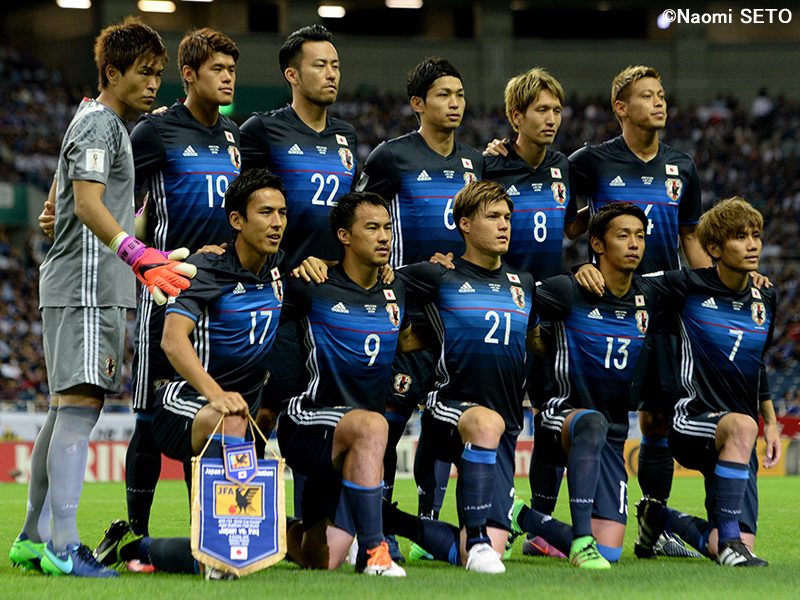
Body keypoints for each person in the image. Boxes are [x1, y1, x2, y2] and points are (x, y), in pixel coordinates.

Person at [8, 18, 185, 578]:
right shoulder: (99, 125)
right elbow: (87, 204)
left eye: (158, 74)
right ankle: (63, 545)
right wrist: (135, 252)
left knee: (64, 410)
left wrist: (58, 207)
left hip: (85, 286)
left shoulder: (101, 122)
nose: (153, 83)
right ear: (112, 72)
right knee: (81, 409)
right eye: (144, 73)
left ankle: (33, 537)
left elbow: (73, 198)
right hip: (86, 288)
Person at [95, 168, 287, 578]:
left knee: (256, 546)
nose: (276, 223)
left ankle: (133, 547)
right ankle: (211, 548)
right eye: (265, 212)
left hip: (236, 413)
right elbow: (172, 340)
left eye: (282, 213)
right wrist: (216, 394)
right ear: (236, 220)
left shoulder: (280, 269)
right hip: (182, 401)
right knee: (229, 420)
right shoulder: (206, 268)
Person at [567, 65, 711, 557]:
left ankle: (654, 523)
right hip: (606, 306)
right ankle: (576, 519)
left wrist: (715, 289)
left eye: (661, 94)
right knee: (602, 417)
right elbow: (568, 225)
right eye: (647, 95)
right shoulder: (590, 161)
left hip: (663, 306)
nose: (659, 102)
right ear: (621, 108)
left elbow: (690, 236)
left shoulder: (682, 166)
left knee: (658, 418)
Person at [355, 57, 484, 552]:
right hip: (406, 314)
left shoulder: (475, 162)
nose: (455, 104)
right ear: (418, 104)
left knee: (447, 423)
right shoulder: (391, 157)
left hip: (459, 317)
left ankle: (436, 522)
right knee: (387, 424)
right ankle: (380, 524)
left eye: (460, 94)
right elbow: (359, 216)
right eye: (443, 95)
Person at [383, 181, 537, 574]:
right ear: (464, 224)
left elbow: (536, 341)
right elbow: (379, 275)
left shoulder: (524, 283)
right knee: (482, 549)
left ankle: (391, 520)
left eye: (507, 217)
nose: (504, 225)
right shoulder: (439, 275)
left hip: (504, 422)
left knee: (486, 555)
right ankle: (478, 539)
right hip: (448, 407)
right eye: (493, 217)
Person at [125, 27, 242, 539]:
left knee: (206, 411)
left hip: (220, 300)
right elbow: (113, 191)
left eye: (232, 70)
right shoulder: (155, 131)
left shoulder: (236, 136)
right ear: (189, 75)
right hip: (167, 291)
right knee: (149, 418)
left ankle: (205, 535)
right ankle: (134, 536)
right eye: (217, 69)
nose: (228, 78)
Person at [239, 27, 358, 499]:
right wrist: (290, 261)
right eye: (319, 65)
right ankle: (243, 513)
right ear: (292, 74)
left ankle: (314, 523)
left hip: (332, 298)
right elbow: (244, 210)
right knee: (265, 411)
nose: (331, 74)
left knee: (320, 411)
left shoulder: (347, 136)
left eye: (336, 65)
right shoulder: (263, 130)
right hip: (280, 294)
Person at [509, 202, 661, 570]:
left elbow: (704, 281)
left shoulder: (650, 294)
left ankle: (522, 517)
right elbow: (517, 292)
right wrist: (577, 270)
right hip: (561, 418)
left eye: (640, 236)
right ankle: (579, 542)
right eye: (623, 236)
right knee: (590, 421)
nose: (634, 244)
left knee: (610, 553)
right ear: (597, 243)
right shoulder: (567, 290)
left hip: (612, 434)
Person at [276, 191, 415, 576]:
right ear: (344, 236)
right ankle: (374, 552)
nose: (384, 236)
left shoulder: (397, 289)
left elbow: (406, 339)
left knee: (321, 558)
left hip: (356, 439)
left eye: (387, 228)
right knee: (373, 425)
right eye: (371, 228)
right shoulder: (311, 283)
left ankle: (267, 527)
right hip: (308, 419)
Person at [635, 197, 779, 567]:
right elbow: (627, 283)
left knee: (727, 545)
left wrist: (772, 423)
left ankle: (660, 516)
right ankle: (730, 543)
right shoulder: (686, 286)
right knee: (742, 426)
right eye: (740, 237)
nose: (752, 245)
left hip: (740, 437)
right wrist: (586, 271)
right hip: (692, 422)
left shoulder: (766, 296)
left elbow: (757, 364)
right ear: (714, 248)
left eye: (756, 235)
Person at [481, 67, 580, 558]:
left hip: (551, 309)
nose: (552, 119)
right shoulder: (490, 166)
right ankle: (475, 518)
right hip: (502, 305)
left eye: (556, 110)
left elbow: (575, 224)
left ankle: (539, 526)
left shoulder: (563, 165)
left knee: (550, 415)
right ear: (515, 116)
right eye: (541, 109)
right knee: (497, 416)